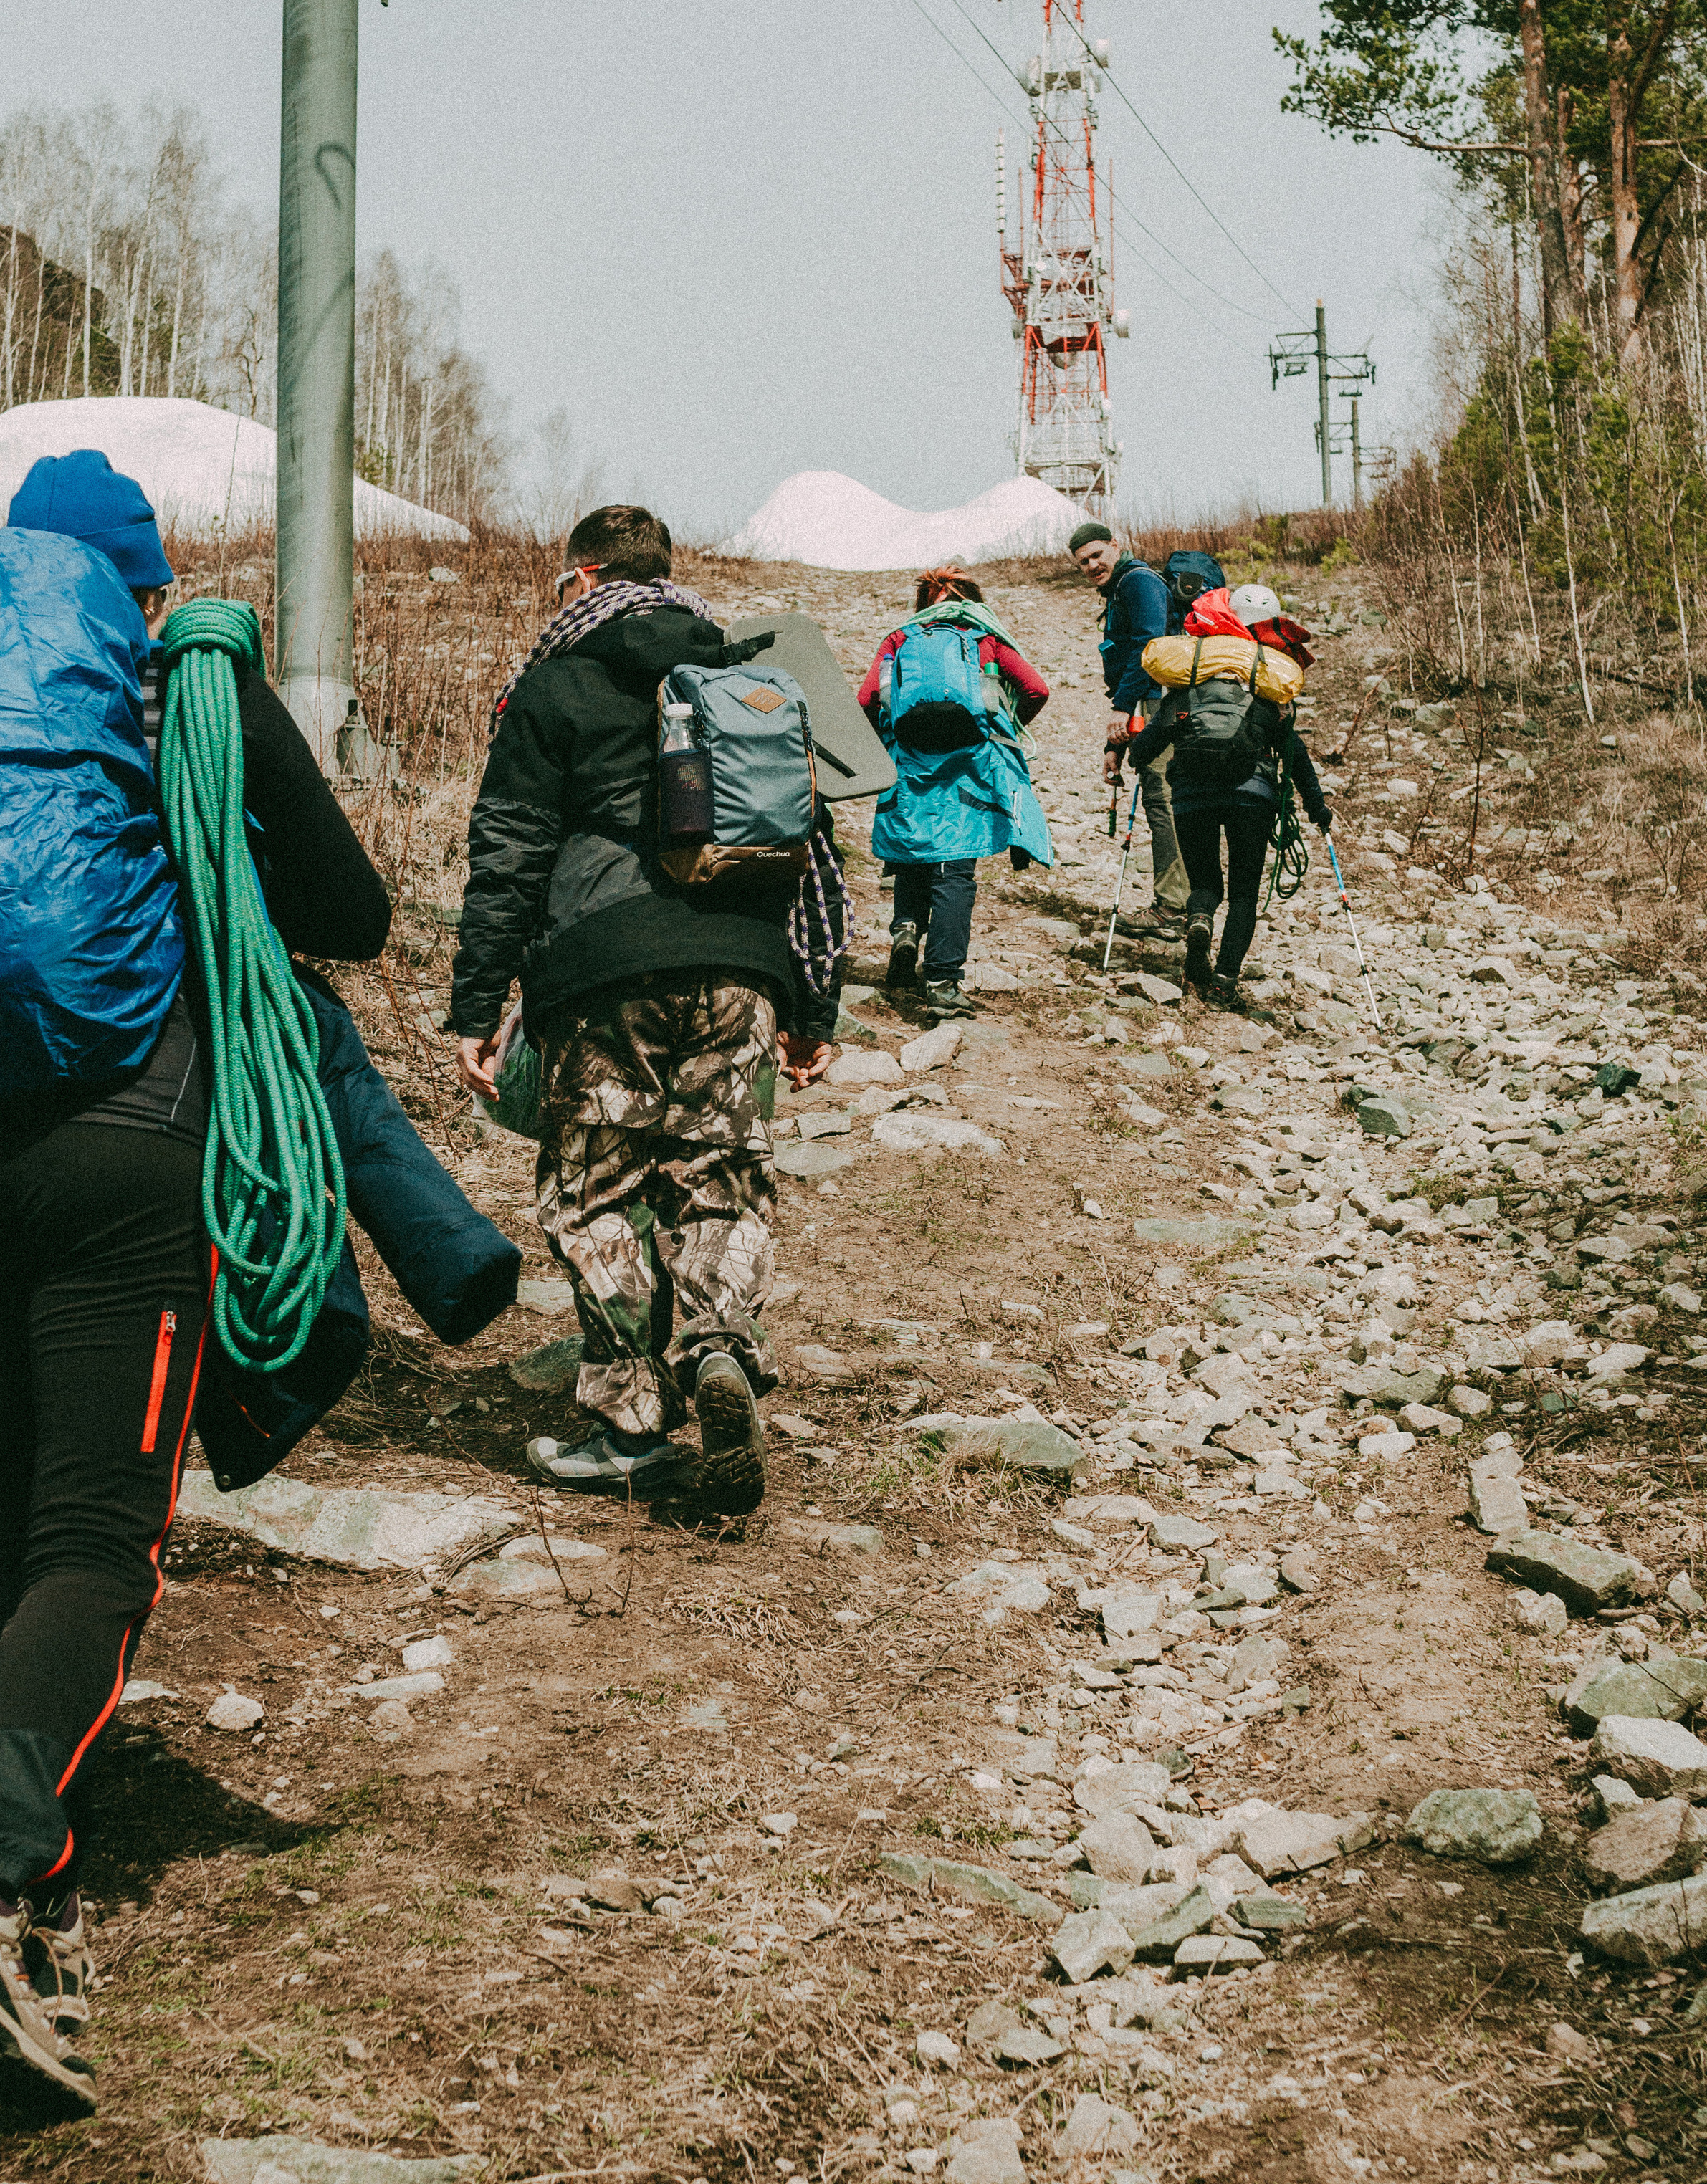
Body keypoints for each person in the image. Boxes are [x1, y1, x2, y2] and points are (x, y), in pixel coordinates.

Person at [0, 450, 391, 2119]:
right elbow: (352, 912)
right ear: (140, 587)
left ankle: (29, 1894)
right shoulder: (186, 694)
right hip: (128, 1158)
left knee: (39, 1514)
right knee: (102, 1538)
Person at [450, 504, 848, 1509]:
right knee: (721, 1178)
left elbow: (509, 849)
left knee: (595, 1194)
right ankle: (718, 1348)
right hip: (741, 970)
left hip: (603, 971)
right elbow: (818, 853)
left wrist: (476, 1000)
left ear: (582, 580)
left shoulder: (556, 680)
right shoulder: (751, 677)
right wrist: (812, 1005)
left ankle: (628, 1424)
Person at [857, 565, 1051, 1020]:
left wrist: (892, 739)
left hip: (909, 763)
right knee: (953, 870)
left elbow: (868, 698)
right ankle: (942, 981)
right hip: (970, 766)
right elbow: (1036, 689)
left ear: (923, 603)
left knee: (912, 850)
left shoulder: (900, 638)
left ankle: (906, 929)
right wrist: (1006, 724)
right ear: (973, 600)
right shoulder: (986, 638)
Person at [1126, 579, 1331, 1007]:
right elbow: (1296, 755)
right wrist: (1318, 810)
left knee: (1204, 881)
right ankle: (1223, 982)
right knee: (1242, 893)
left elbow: (1143, 752)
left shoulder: (1188, 681)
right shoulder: (1269, 687)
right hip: (1250, 797)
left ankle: (1199, 919)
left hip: (1190, 794)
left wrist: (1132, 753)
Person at [1070, 517, 1190, 940]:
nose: (1091, 566)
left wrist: (1122, 708)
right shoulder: (1122, 588)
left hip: (1162, 704)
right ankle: (1183, 905)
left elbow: (1147, 646)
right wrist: (1114, 744)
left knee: (1162, 798)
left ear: (1116, 546)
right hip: (1150, 704)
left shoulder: (1137, 583)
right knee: (1163, 798)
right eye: (1083, 562)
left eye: (1097, 555)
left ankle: (1174, 908)